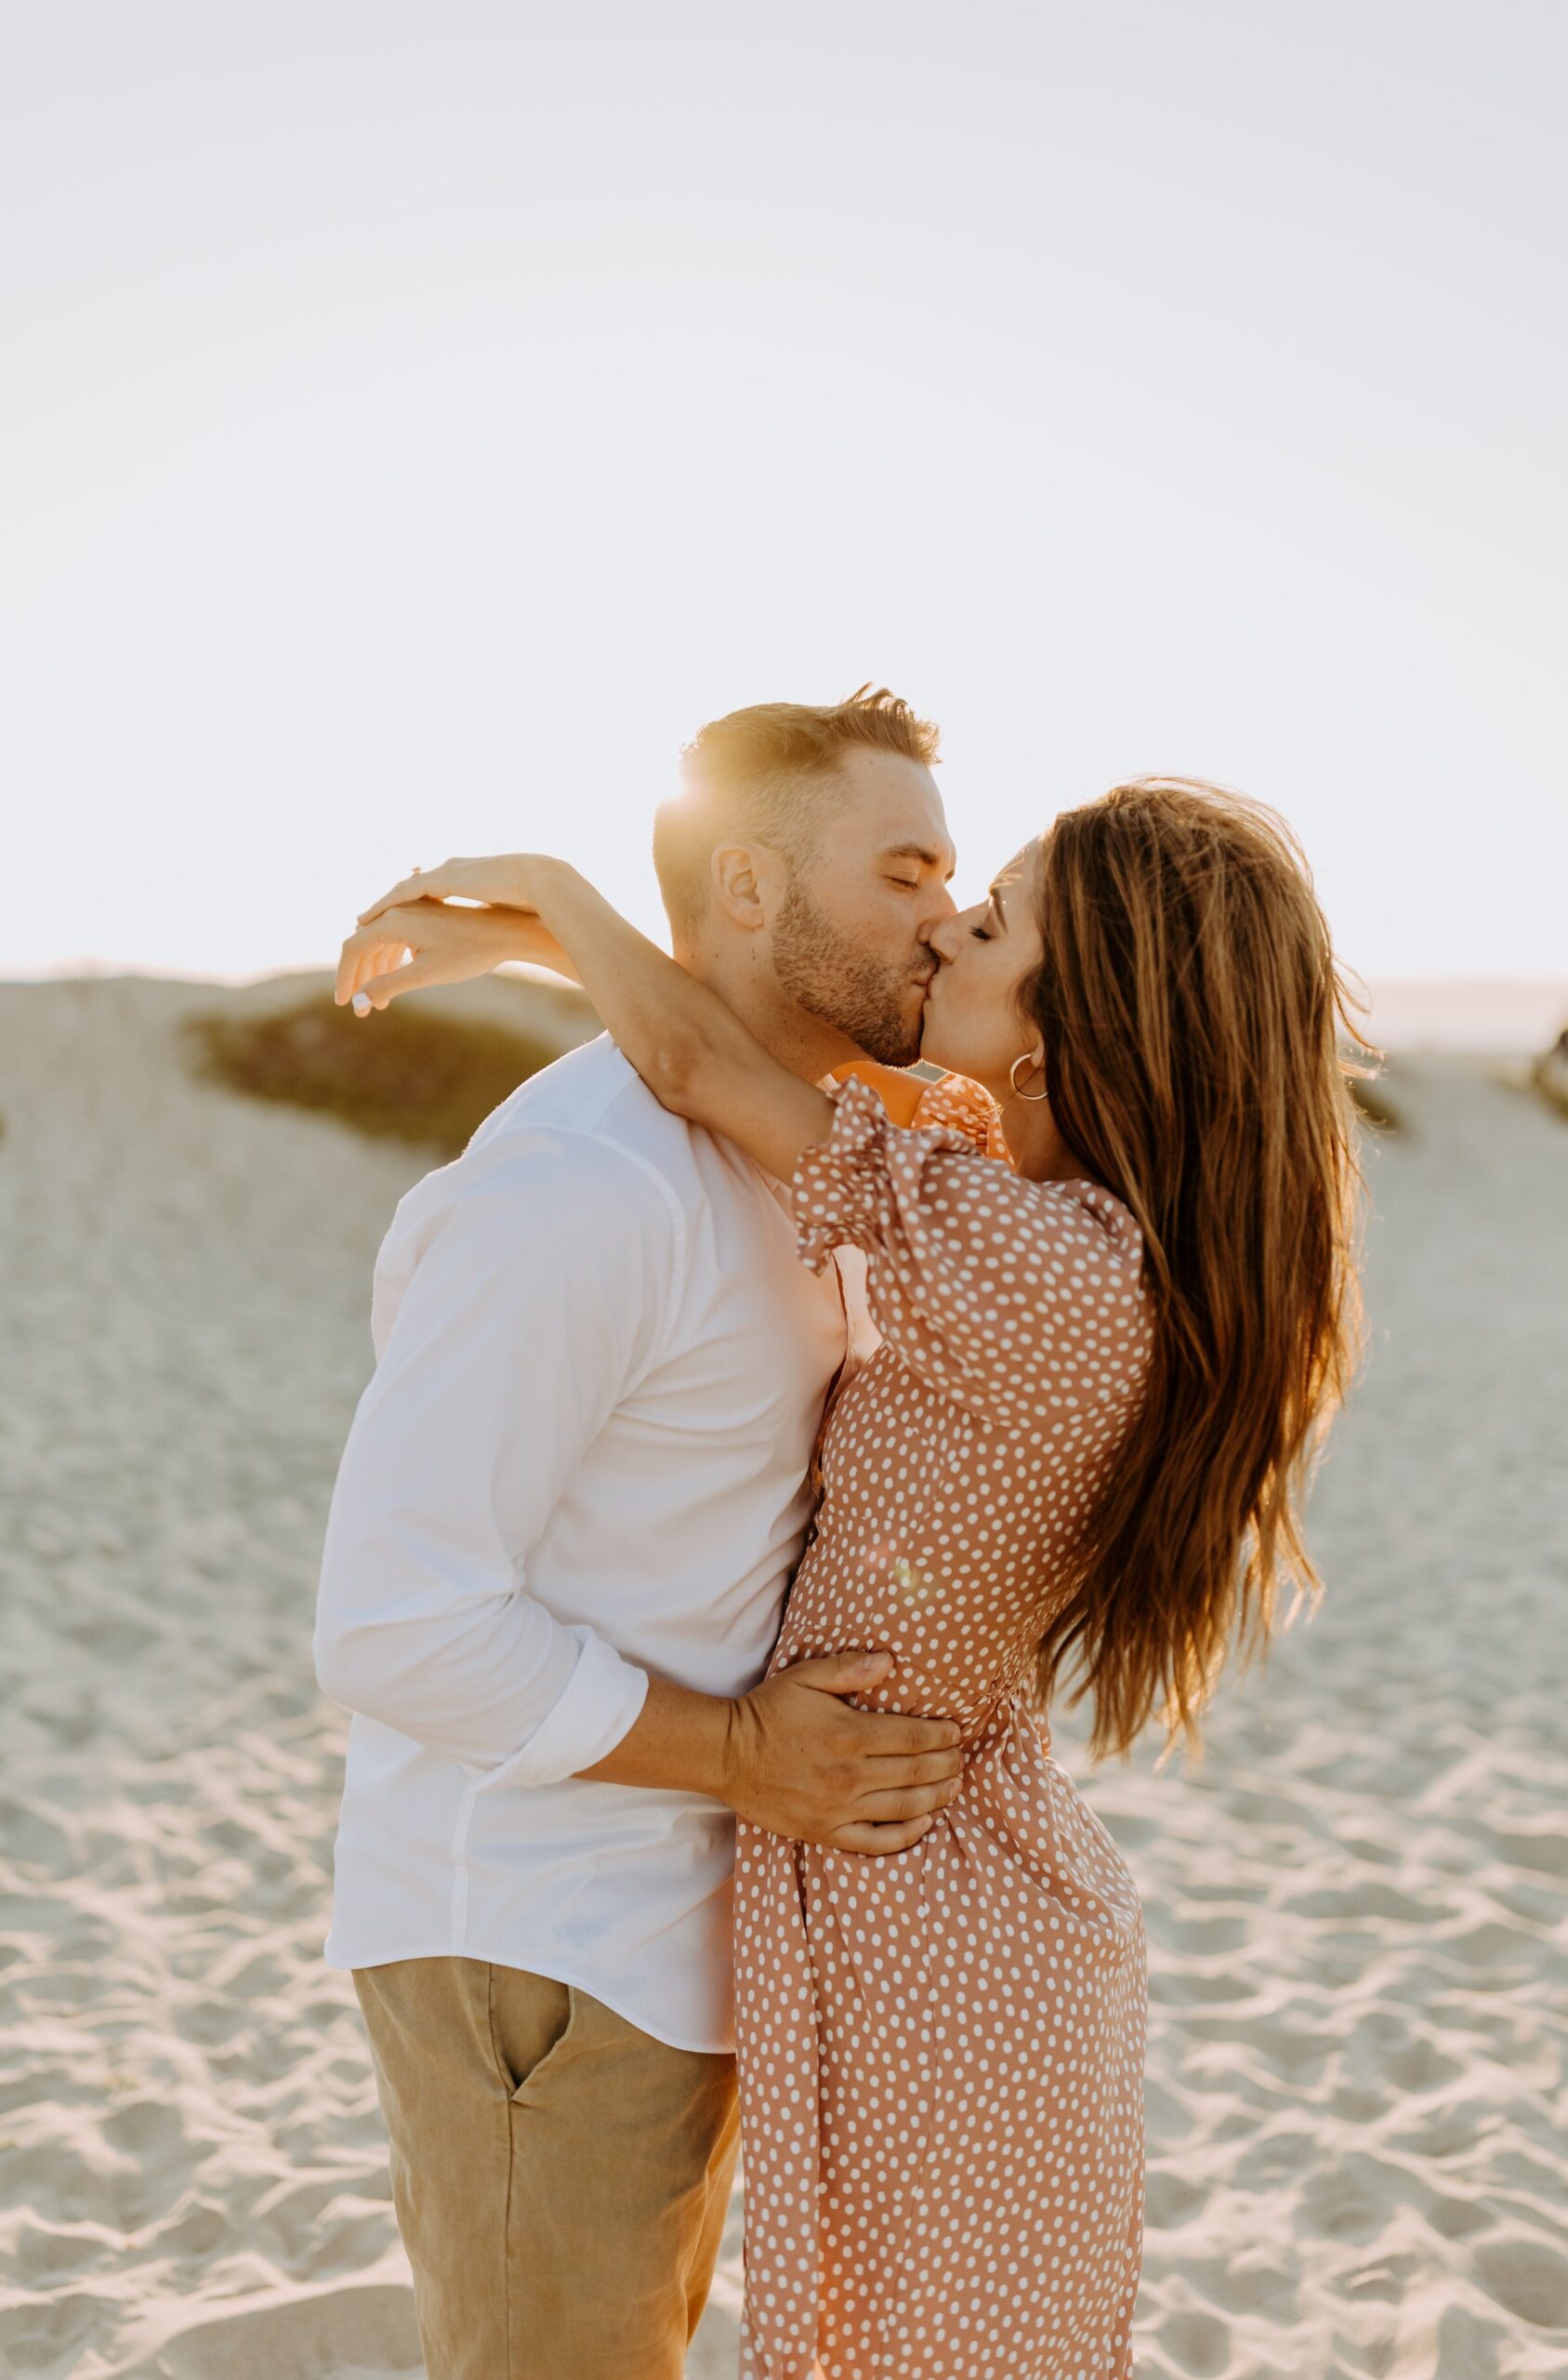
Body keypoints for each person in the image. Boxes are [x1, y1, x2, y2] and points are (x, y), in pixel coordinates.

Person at [343, 772, 1366, 2379]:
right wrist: (550, 950)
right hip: (910, 1870)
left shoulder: (1022, 1260)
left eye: (994, 915)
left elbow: (694, 1062)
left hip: (925, 1900)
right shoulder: (1034, 1207)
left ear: (1071, 1014)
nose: (951, 925)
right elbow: (746, 1047)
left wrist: (545, 881)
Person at [314, 689, 973, 2380]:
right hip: (533, 1949)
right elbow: (394, 1624)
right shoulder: (582, 1188)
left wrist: (545, 926)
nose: (948, 919)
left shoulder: (811, 1148)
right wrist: (746, 1752)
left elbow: (702, 1043)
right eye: (905, 870)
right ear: (749, 890)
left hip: (678, 1927)